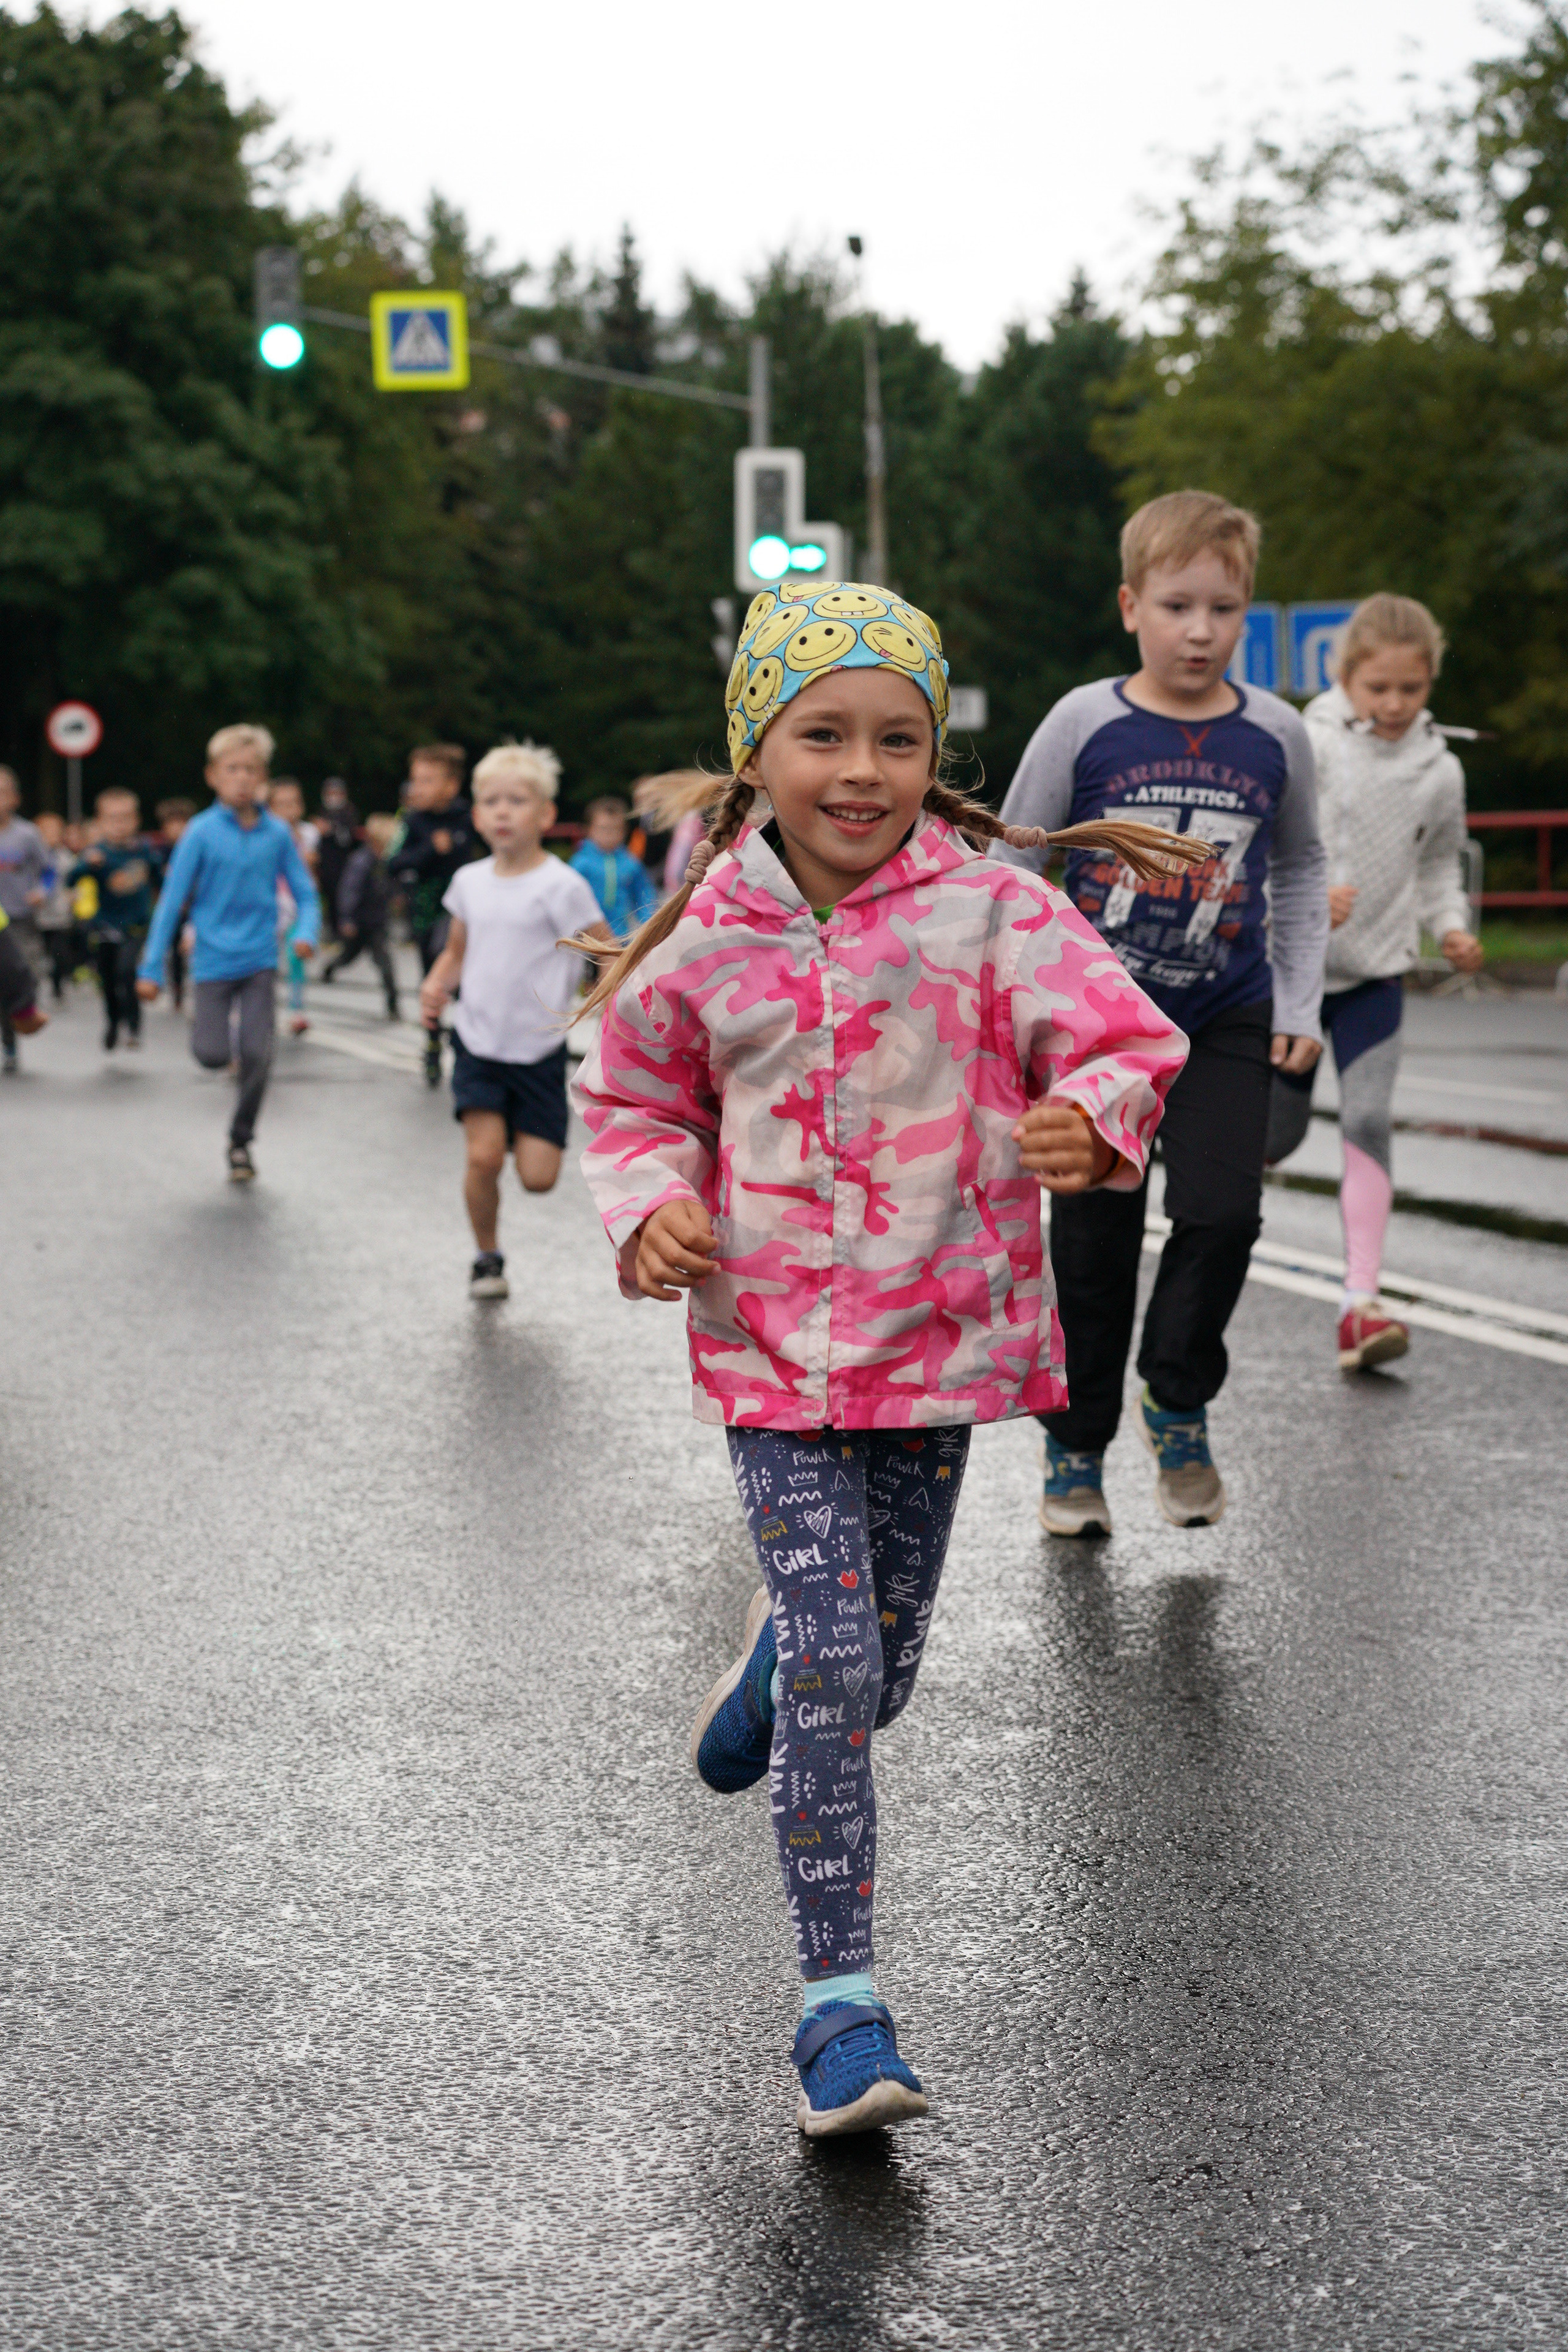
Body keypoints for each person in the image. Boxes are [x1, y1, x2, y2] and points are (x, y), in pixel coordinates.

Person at [573, 579, 1193, 2136]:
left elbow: (1124, 1042)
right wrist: (650, 1209)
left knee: (875, 1672)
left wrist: (1091, 1118)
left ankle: (776, 1665)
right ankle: (837, 2008)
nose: (860, 770)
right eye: (822, 736)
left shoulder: (990, 911)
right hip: (771, 1354)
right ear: (754, 752)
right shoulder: (708, 934)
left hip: (939, 1341)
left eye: (896, 739)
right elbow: (634, 1100)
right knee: (844, 1664)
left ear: (934, 755)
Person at [997, 492, 1329, 1537]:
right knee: (1093, 1246)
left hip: (1228, 1016)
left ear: (1246, 614)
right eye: (1178, 607)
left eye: (1223, 610)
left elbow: (1302, 867)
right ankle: (1075, 1447)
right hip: (1099, 1033)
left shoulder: (1276, 732)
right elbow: (1014, 863)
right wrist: (1018, 1009)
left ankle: (1177, 1401)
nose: (1200, 632)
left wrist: (1301, 1000)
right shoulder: (1083, 721)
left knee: (1224, 1216)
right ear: (1131, 606)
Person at [1266, 594, 1482, 1373]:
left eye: (1410, 689)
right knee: (1274, 1138)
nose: (1394, 704)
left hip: (1376, 973)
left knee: (1367, 1120)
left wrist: (1449, 925)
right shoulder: (1309, 743)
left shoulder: (1440, 769)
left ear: (1430, 683)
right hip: (1292, 973)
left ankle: (1360, 1304)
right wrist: (1298, 900)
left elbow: (1439, 864)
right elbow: (1264, 845)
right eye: (1378, 688)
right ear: (1344, 676)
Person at [420, 742, 609, 1299]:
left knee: (538, 1179)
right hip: (478, 1042)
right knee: (482, 1158)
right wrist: (436, 984)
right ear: (477, 816)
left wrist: (604, 1001)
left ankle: (508, 1130)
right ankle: (487, 1257)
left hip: (538, 1052)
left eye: (517, 801)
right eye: (491, 802)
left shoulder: (562, 886)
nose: (503, 812)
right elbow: (457, 950)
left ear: (546, 815)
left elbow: (607, 950)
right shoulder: (469, 881)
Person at [136, 724, 320, 1182]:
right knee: (212, 1055)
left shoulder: (277, 834)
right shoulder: (200, 832)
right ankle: (217, 1039)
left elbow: (306, 893)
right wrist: (151, 967)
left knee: (257, 1055)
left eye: (250, 770)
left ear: (263, 777)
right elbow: (171, 903)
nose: (242, 778)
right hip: (212, 962)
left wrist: (306, 932)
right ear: (212, 776)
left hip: (260, 959)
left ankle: (241, 1140)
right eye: (232, 769)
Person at [387, 742, 478, 1085]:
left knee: (460, 972)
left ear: (451, 786)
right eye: (415, 780)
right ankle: (432, 1043)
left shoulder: (468, 817)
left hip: (460, 913)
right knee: (431, 981)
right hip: (424, 910)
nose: (418, 788)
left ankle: (468, 1043)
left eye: (427, 780)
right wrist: (429, 849)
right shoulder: (412, 821)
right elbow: (393, 863)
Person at [70, 788, 160, 1050]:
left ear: (136, 820)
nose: (119, 825)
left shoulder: (144, 851)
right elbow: (71, 879)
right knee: (108, 981)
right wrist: (87, 864)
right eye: (112, 819)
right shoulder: (97, 853)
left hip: (136, 926)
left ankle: (134, 1026)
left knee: (127, 972)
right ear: (100, 822)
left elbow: (163, 882)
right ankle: (112, 1023)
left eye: (125, 818)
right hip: (105, 926)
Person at [322, 813, 400, 1016]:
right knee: (348, 956)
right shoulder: (361, 862)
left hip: (377, 923)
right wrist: (347, 919)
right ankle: (330, 969)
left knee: (385, 963)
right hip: (359, 922)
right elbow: (349, 891)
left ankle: (393, 1005)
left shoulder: (386, 862)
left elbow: (390, 886)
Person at [0, 767, 48, 1074]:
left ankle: (13, 1035)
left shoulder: (28, 834)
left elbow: (49, 869)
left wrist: (42, 890)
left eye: (2, 792)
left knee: (21, 976)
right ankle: (10, 1040)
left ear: (15, 798)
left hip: (18, 918)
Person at [265, 778, 319, 1037]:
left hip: (297, 904)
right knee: (267, 960)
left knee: (296, 956)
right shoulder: (265, 834)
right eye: (282, 804)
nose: (289, 810)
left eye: (294, 803)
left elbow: (312, 869)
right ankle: (262, 1009)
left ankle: (296, 1010)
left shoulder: (309, 834)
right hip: (271, 904)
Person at [570, 796, 657, 937]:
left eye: (615, 829)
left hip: (621, 935)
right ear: (590, 830)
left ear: (624, 832)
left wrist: (649, 925)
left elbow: (644, 896)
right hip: (586, 936)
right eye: (603, 828)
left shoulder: (631, 863)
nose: (609, 834)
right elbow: (569, 899)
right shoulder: (581, 863)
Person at [154, 800, 197, 1008]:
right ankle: (177, 988)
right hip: (172, 910)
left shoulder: (197, 848)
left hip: (195, 909)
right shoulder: (161, 852)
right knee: (174, 951)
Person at [32, 813, 79, 1002]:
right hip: (37, 915)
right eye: (46, 832)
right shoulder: (33, 857)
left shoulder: (66, 857)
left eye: (56, 832)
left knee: (60, 954)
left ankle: (57, 986)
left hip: (60, 915)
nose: (52, 836)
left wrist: (74, 896)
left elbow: (75, 880)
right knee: (37, 954)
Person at [314, 779, 360, 940]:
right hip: (326, 865)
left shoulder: (349, 812)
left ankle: (345, 930)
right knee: (330, 897)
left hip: (343, 864)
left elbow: (348, 839)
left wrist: (331, 829)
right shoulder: (323, 811)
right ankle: (333, 930)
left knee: (344, 897)